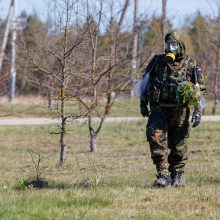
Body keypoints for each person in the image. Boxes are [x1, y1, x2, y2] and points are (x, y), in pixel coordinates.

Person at [140, 32, 206, 187]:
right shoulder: (158, 61)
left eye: (174, 44)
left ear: (181, 46)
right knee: (155, 140)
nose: (170, 47)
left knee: (179, 144)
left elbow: (200, 90)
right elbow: (145, 82)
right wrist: (143, 103)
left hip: (180, 112)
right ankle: (163, 175)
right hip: (158, 109)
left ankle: (177, 175)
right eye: (168, 44)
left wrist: (198, 111)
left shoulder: (191, 65)